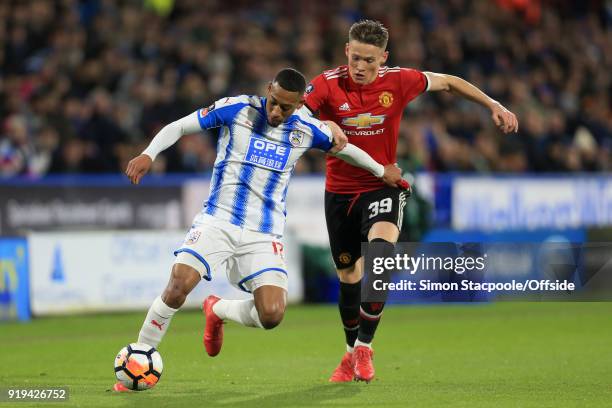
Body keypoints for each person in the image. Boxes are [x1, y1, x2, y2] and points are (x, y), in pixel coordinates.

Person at [114, 68, 408, 391]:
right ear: (268, 90)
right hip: (219, 220)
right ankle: (140, 357)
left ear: (299, 106)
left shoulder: (307, 129)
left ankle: (218, 309)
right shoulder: (237, 109)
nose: (276, 112)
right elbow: (181, 125)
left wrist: (383, 172)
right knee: (178, 286)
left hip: (264, 234)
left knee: (272, 314)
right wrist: (148, 153)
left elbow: (346, 149)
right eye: (274, 102)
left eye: (286, 107)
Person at [304, 20, 519, 383]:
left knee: (381, 257)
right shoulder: (325, 84)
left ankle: (365, 348)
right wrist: (321, 127)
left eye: (369, 61)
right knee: (349, 276)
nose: (360, 67)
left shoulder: (399, 80)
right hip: (339, 193)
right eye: (355, 58)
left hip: (383, 184)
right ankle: (347, 354)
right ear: (346, 51)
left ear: (383, 58)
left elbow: (449, 82)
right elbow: (294, 111)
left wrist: (492, 103)